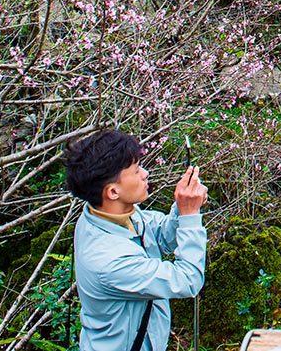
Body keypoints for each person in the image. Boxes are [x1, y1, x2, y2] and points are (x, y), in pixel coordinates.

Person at [65, 129, 209, 351]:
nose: (146, 173)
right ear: (112, 192)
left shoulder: (110, 214)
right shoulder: (107, 260)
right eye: (136, 171)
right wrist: (190, 215)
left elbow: (161, 237)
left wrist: (183, 206)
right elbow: (188, 281)